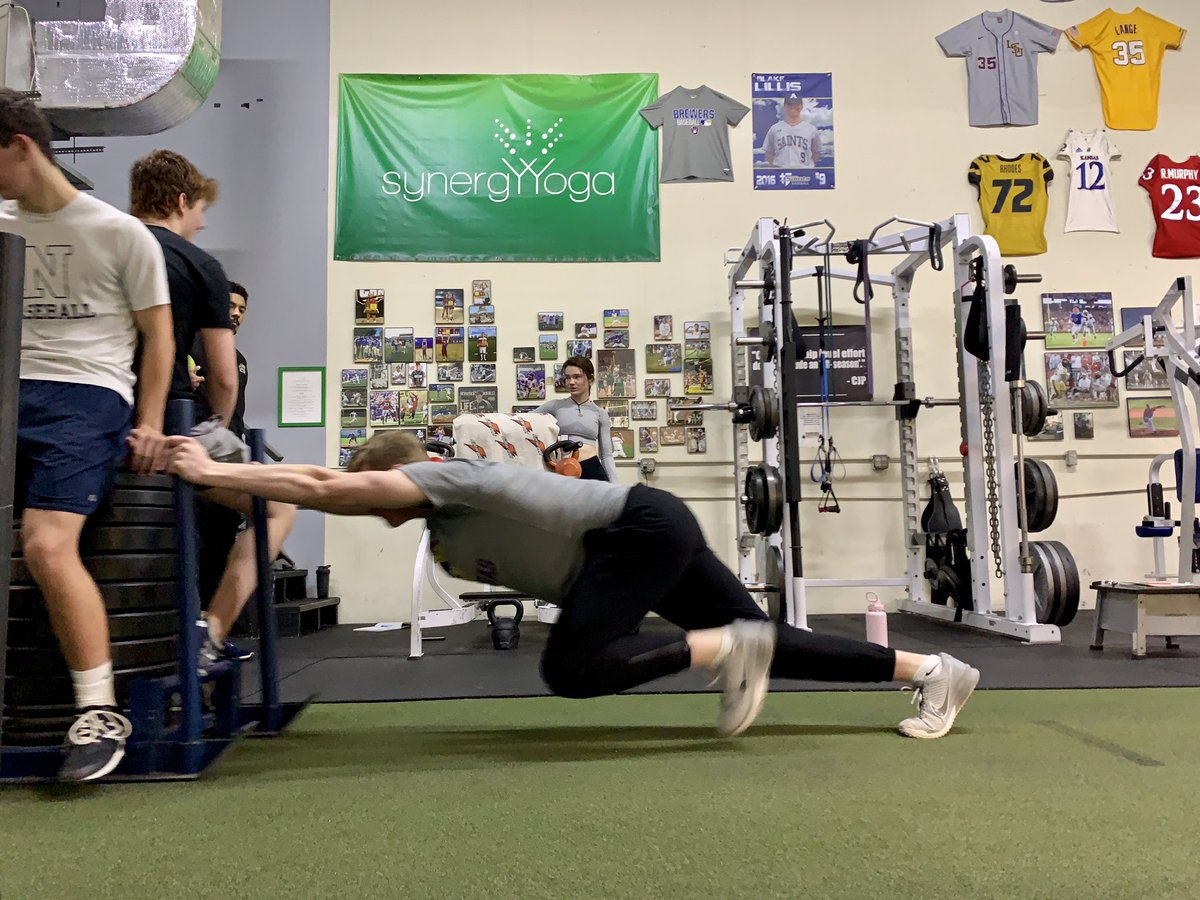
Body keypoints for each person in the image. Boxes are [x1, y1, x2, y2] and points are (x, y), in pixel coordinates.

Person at [163, 430, 981, 741]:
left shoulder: (439, 479)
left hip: (636, 532)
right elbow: (324, 487)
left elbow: (323, 485)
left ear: (397, 475)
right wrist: (216, 486)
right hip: (641, 539)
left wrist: (219, 464)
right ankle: (932, 674)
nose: (366, 501)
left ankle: (723, 647)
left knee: (572, 668)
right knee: (778, 646)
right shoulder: (443, 532)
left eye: (371, 487)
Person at [0, 88, 175, 781]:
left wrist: (151, 423)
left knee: (45, 545)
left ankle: (96, 711)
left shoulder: (117, 232)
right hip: (6, 389)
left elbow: (158, 337)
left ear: (20, 147)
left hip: (85, 395)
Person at [130, 150, 296, 674]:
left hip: (102, 419)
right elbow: (223, 378)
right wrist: (215, 430)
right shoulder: (200, 265)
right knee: (278, 507)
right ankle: (213, 631)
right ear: (182, 201)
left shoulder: (105, 242)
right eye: (200, 210)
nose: (201, 224)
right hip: (175, 430)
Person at [191, 281, 255, 653]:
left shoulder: (239, 357)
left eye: (242, 309)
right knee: (194, 552)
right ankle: (189, 633)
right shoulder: (186, 347)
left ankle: (212, 637)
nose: (236, 313)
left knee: (219, 550)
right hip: (196, 467)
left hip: (228, 467)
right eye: (230, 305)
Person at [533, 355, 619, 481]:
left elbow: (606, 455)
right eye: (567, 378)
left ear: (590, 379)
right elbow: (523, 421)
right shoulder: (554, 406)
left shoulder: (600, 413)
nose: (571, 382)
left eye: (577, 377)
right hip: (562, 470)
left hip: (592, 469)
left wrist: (615, 485)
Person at [762, 93, 820, 169]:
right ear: (785, 107)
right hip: (781, 171)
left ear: (801, 106)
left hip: (805, 173)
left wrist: (807, 166)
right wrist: (774, 167)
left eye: (796, 104)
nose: (793, 107)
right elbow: (768, 151)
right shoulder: (775, 128)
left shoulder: (811, 129)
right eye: (790, 104)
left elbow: (816, 152)